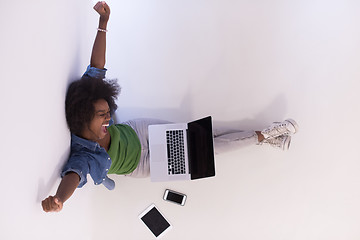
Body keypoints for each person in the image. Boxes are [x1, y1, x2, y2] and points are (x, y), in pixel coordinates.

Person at [41, 1, 299, 213]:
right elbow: (73, 176)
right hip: (143, 164)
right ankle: (263, 135)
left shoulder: (89, 95)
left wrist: (103, 24)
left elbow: (96, 65)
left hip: (139, 132)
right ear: (83, 118)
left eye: (108, 112)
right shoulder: (83, 156)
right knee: (209, 153)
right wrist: (60, 199)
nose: (108, 119)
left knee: (205, 132)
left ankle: (265, 136)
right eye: (102, 116)